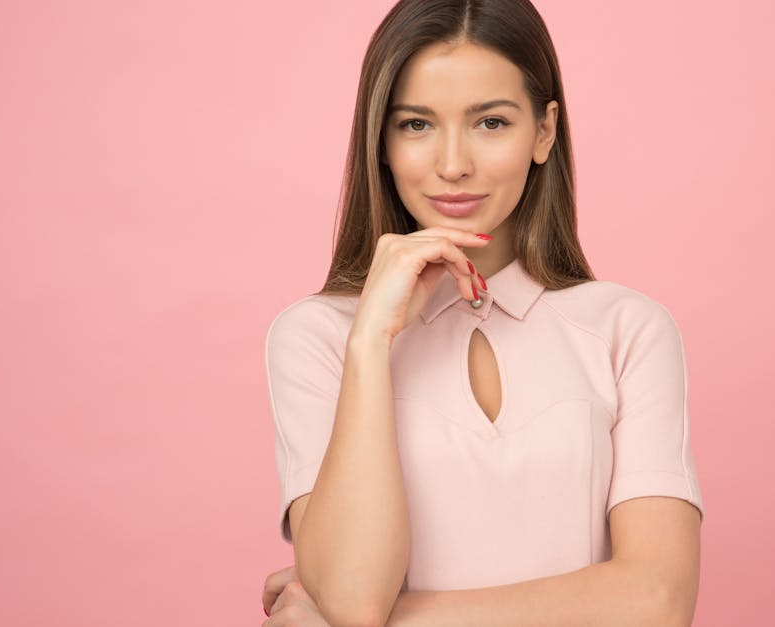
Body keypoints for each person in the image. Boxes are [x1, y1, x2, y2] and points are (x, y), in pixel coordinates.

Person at [260, 1, 704, 625]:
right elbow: (355, 597)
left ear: (544, 132)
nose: (452, 164)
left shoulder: (627, 330)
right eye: (415, 125)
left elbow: (657, 601)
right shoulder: (320, 338)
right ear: (379, 141)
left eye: (490, 123)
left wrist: (368, 615)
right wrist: (371, 342)